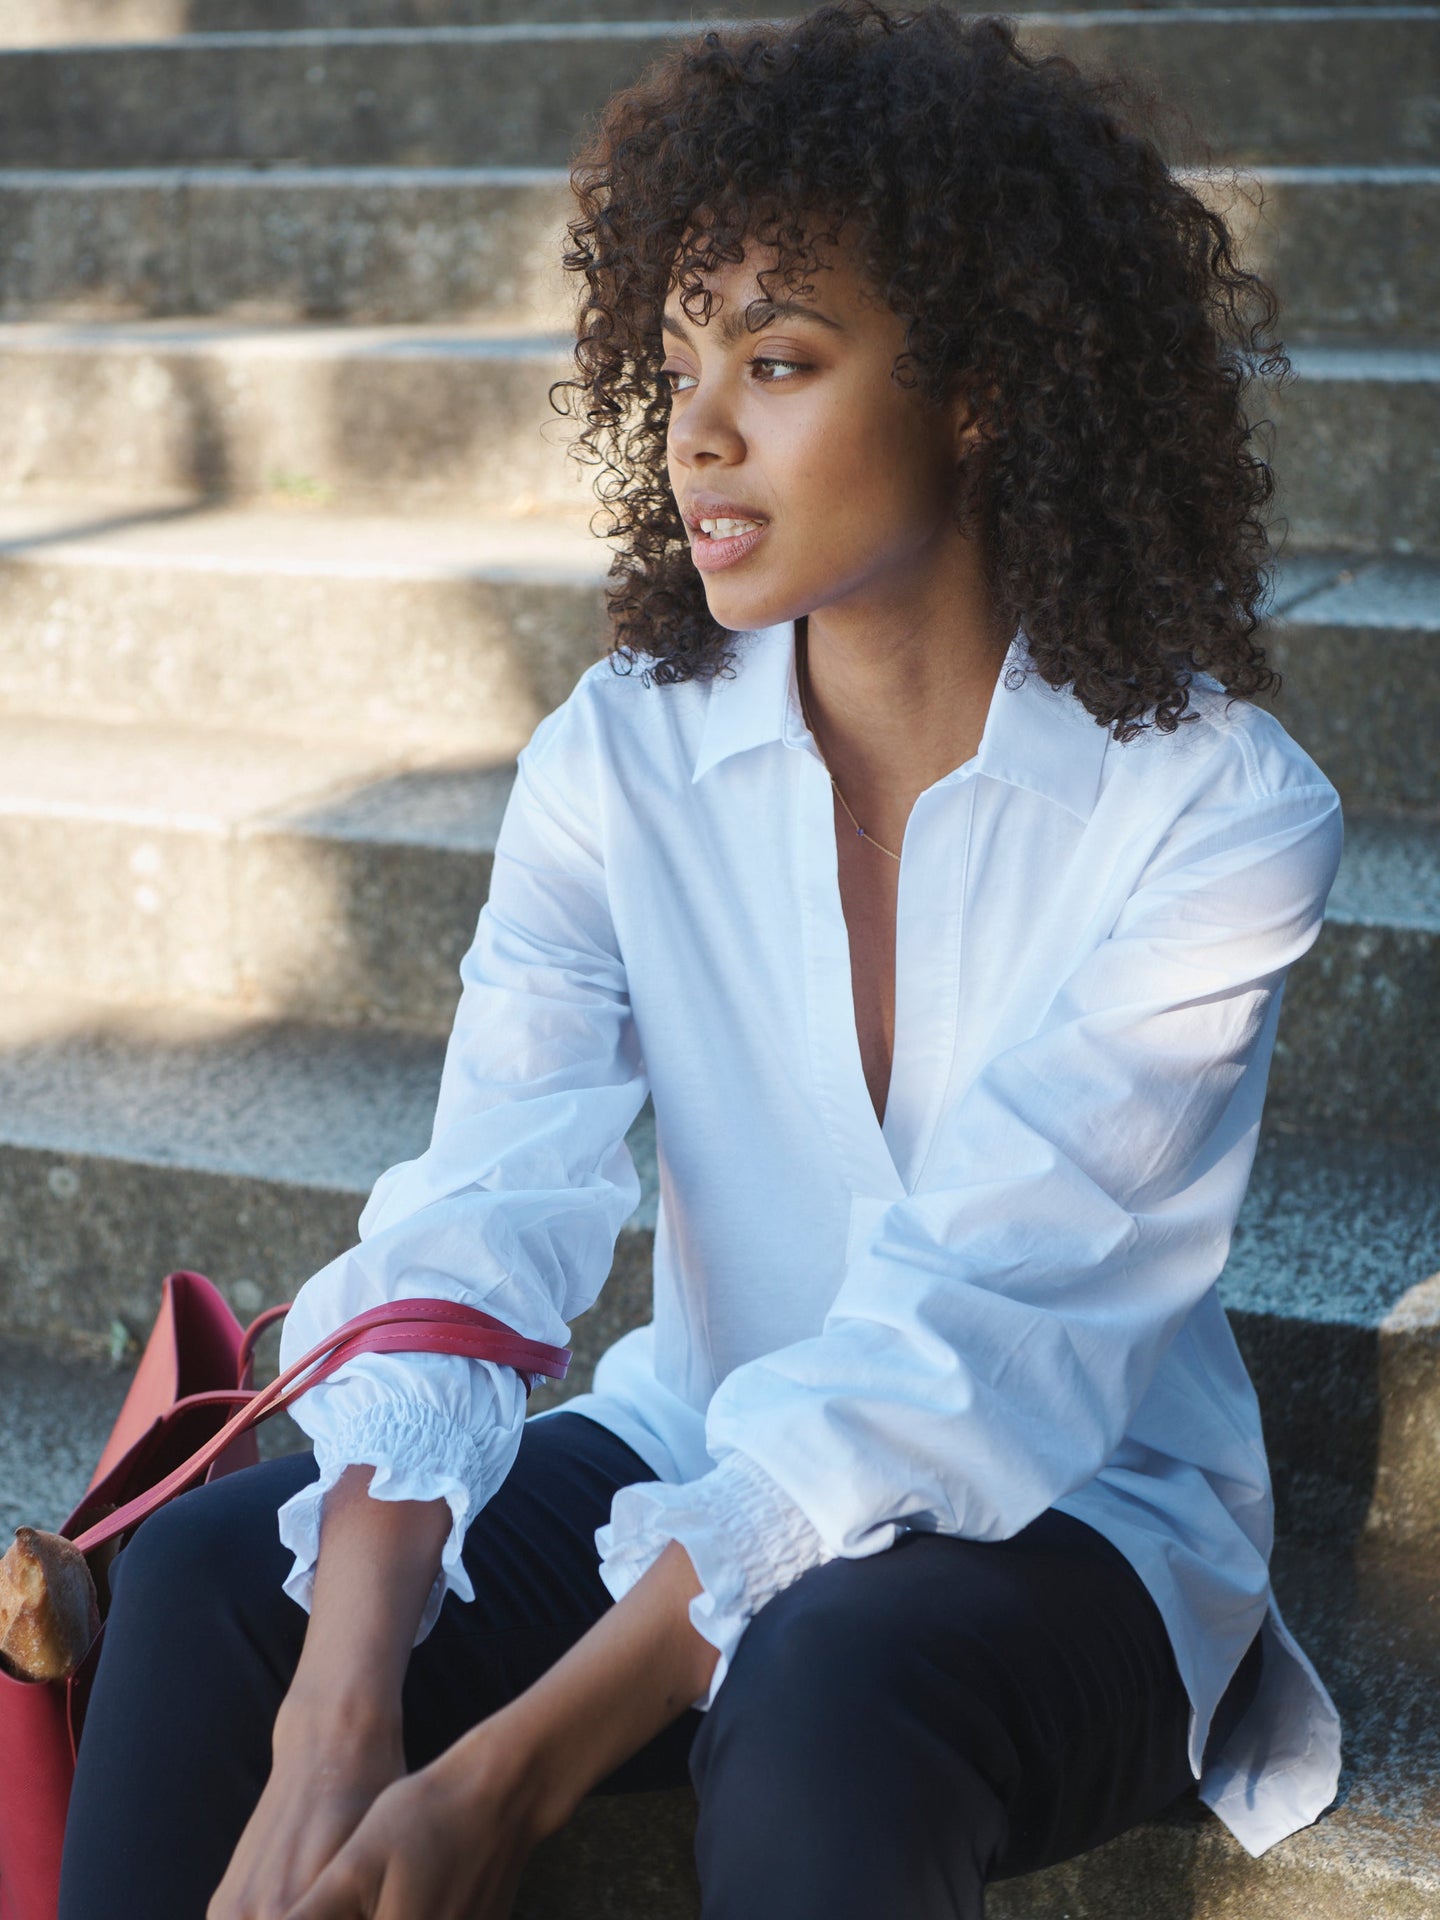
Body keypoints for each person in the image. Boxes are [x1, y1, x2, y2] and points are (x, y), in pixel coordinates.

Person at [58, 6, 1344, 1917]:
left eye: (782, 359)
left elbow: (966, 1356)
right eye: (675, 364)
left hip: (1073, 1520)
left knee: (827, 1680)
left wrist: (500, 1769)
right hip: (702, 1434)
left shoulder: (1217, 812)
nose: (699, 430)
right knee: (210, 1580)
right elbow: (487, 1209)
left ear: (981, 385)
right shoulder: (621, 754)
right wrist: (346, 1715)